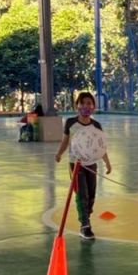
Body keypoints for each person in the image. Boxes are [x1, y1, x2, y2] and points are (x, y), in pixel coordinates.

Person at [55, 92, 112, 241]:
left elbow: (101, 146)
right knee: (82, 194)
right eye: (83, 103)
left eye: (89, 103)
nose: (86, 106)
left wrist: (107, 161)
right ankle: (85, 226)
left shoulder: (96, 126)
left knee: (91, 195)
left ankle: (86, 215)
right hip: (76, 165)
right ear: (77, 106)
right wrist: (59, 153)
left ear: (93, 107)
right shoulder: (70, 123)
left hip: (91, 164)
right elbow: (65, 141)